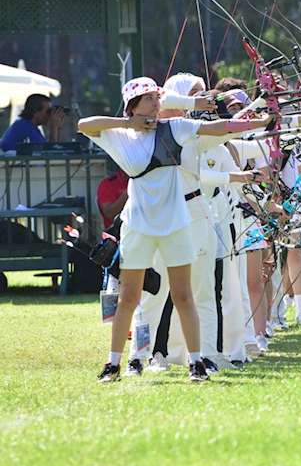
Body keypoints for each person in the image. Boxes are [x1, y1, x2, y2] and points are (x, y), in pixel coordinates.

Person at [78, 76, 276, 383]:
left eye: (158, 99)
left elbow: (218, 128)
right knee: (132, 296)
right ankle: (120, 362)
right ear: (132, 106)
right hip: (139, 225)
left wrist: (260, 122)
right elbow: (84, 124)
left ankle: (196, 362)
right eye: (150, 100)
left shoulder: (176, 128)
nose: (157, 104)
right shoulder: (120, 134)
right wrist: (130, 124)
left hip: (176, 224)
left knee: (184, 295)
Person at [0, 94, 64, 151]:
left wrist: (58, 128)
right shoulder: (25, 127)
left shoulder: (27, 125)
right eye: (48, 111)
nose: (50, 115)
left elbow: (56, 149)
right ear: (35, 112)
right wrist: (53, 127)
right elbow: (49, 153)